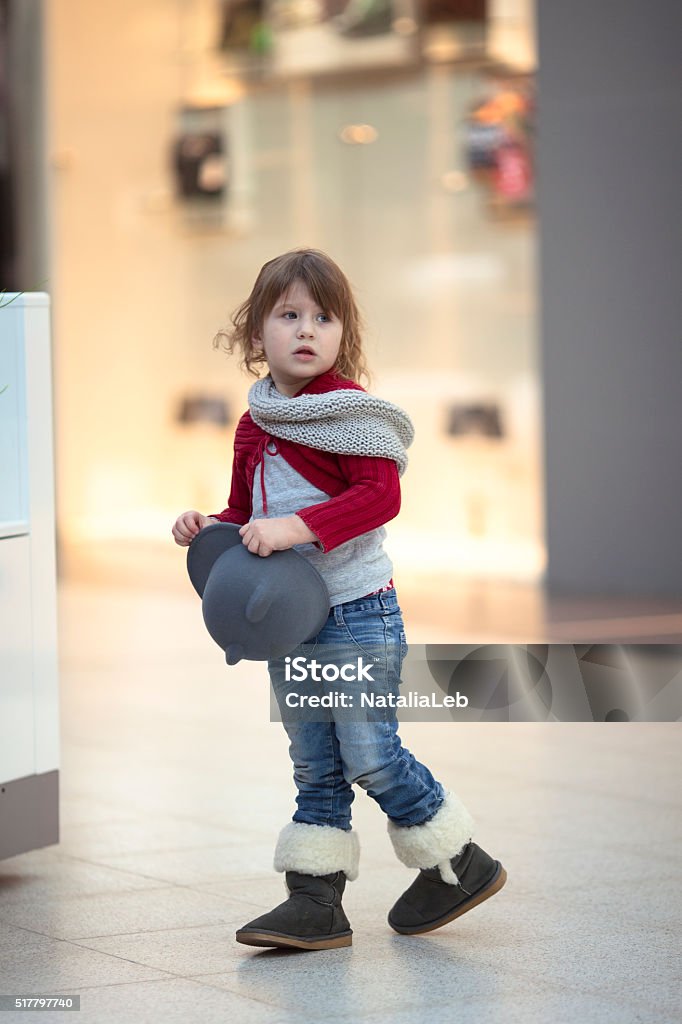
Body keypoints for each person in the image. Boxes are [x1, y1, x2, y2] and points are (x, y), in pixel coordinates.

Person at [172, 249, 506, 950]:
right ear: (255, 332)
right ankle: (315, 902)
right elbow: (244, 510)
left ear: (342, 333)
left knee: (368, 752)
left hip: (357, 613)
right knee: (313, 758)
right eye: (288, 314)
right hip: (290, 621)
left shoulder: (348, 415)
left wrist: (296, 528)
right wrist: (210, 527)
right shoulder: (255, 421)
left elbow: (379, 496)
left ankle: (458, 862)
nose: (305, 329)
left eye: (323, 317)